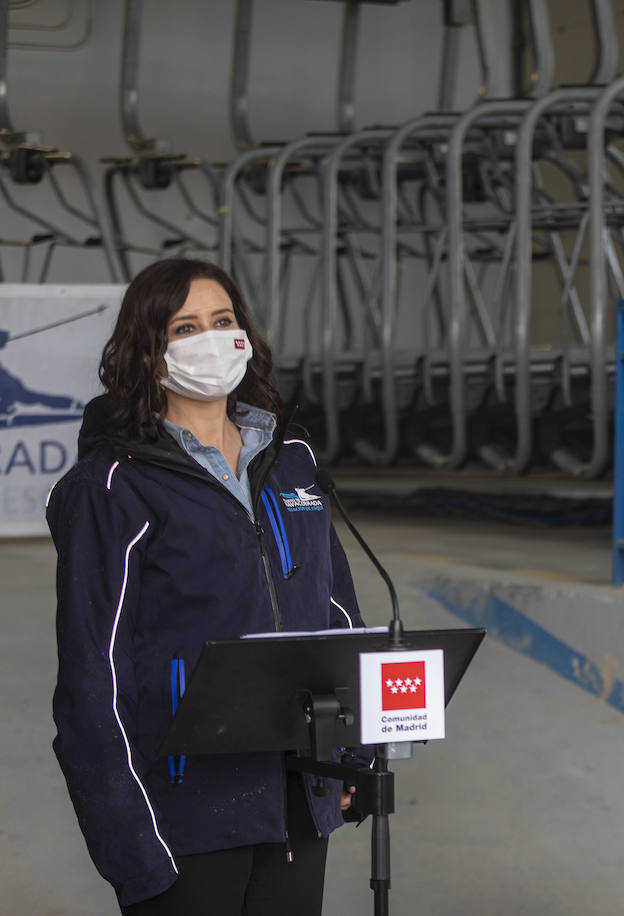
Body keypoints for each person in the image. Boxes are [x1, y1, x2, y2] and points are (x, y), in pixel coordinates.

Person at [47, 258, 366, 915]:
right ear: (147, 352)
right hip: (181, 818)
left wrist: (354, 755)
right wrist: (130, 845)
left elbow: (338, 615)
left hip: (296, 800)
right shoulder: (113, 487)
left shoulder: (292, 462)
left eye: (223, 321)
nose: (211, 339)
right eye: (185, 327)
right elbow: (91, 680)